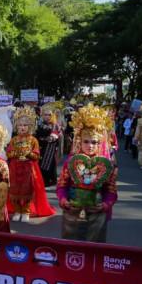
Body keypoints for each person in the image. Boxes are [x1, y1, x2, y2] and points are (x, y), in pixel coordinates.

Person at [57, 104, 118, 242]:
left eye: (94, 142)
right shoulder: (71, 162)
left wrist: (106, 204)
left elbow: (111, 190)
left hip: (97, 213)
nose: (90, 145)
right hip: (72, 211)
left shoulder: (105, 165)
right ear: (79, 141)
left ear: (99, 143)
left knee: (94, 250)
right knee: (71, 249)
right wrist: (63, 200)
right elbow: (62, 185)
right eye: (86, 141)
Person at [6, 107, 55, 222]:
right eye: (20, 125)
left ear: (30, 127)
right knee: (14, 190)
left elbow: (37, 155)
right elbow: (9, 153)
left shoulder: (33, 140)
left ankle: (26, 210)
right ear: (16, 126)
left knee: (28, 190)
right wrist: (16, 153)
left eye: (25, 125)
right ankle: (18, 210)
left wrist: (28, 153)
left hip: (28, 168)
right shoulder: (13, 140)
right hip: (15, 167)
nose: (22, 128)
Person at [35, 106, 62, 187]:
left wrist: (49, 138)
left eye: (49, 115)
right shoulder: (39, 124)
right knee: (40, 163)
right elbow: (37, 135)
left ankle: (49, 180)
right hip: (40, 148)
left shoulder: (55, 125)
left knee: (49, 164)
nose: (47, 116)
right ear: (42, 115)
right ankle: (42, 179)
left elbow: (55, 137)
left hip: (50, 148)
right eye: (45, 114)